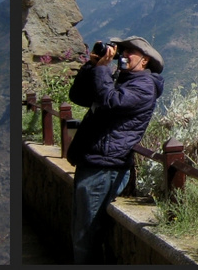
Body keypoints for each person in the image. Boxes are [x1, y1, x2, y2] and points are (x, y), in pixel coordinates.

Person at [65, 36, 164, 264]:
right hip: (94, 162)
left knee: (85, 235)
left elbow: (110, 102)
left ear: (145, 61)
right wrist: (92, 66)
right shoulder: (121, 80)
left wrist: (102, 72)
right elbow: (78, 97)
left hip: (105, 167)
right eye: (123, 50)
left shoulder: (143, 87)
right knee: (82, 230)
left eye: (130, 52)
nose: (124, 55)